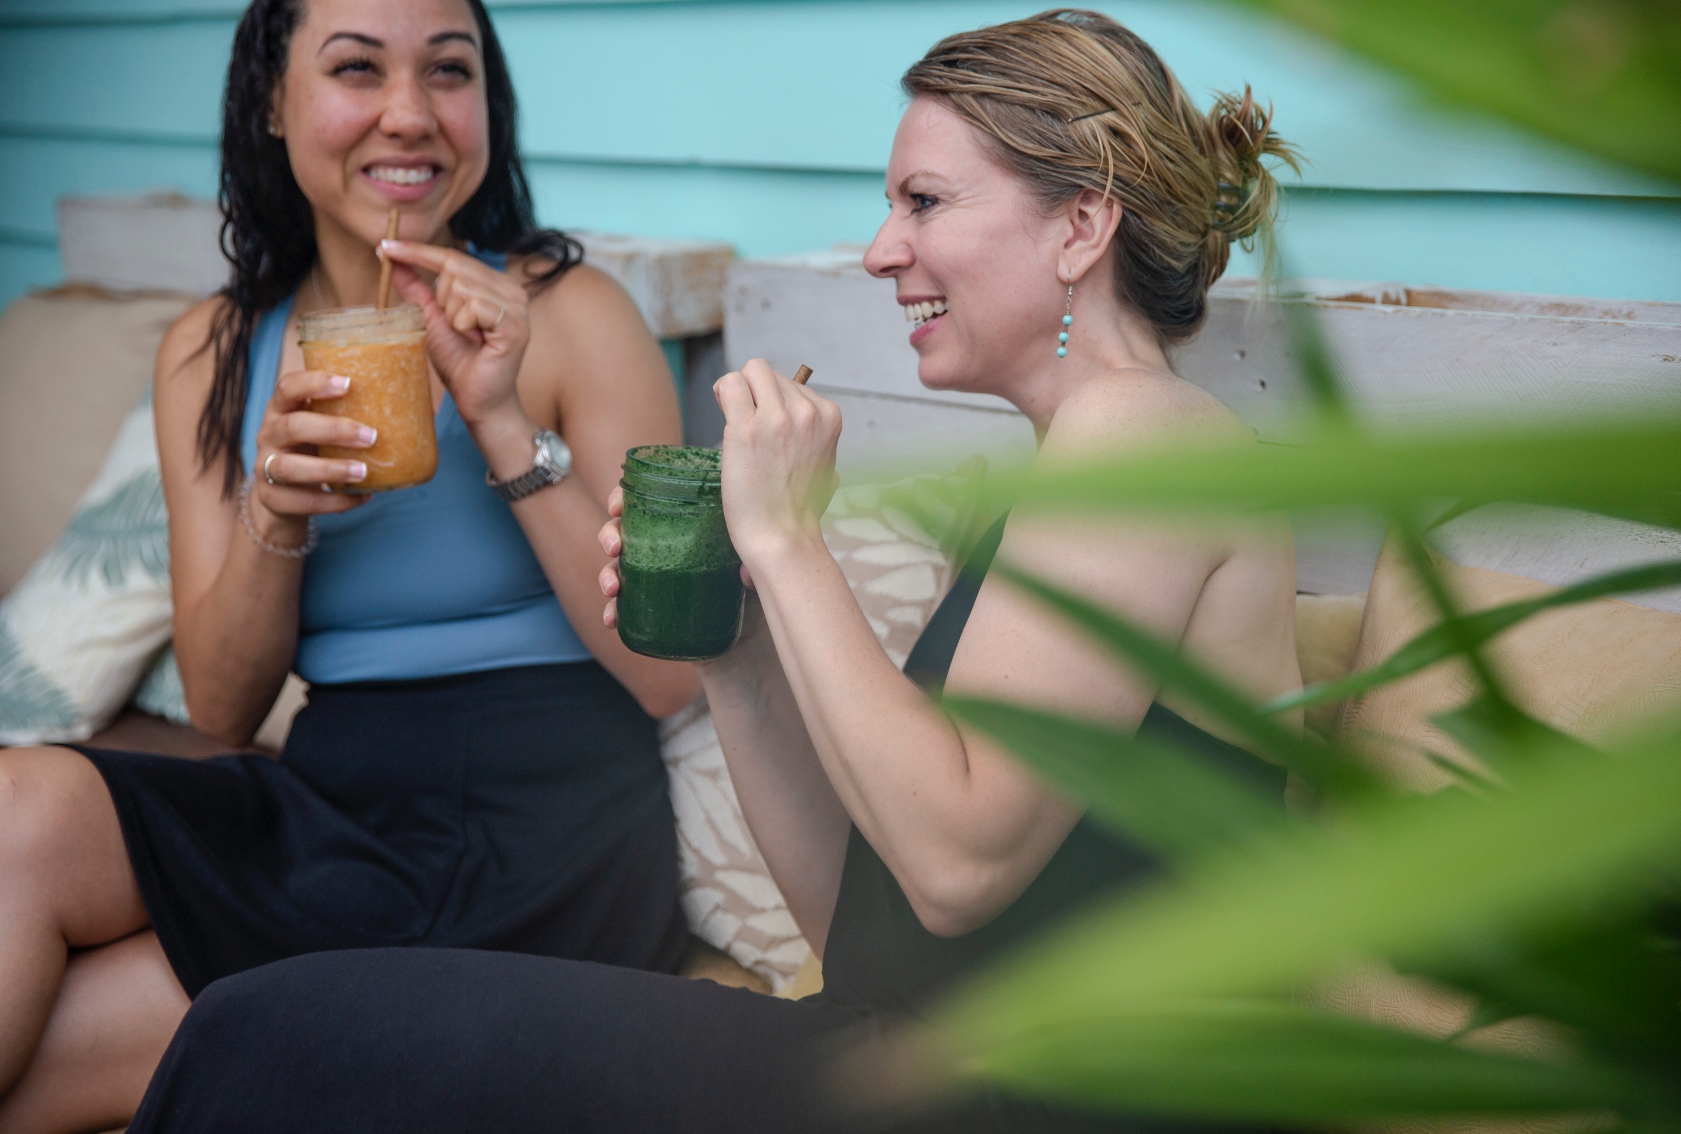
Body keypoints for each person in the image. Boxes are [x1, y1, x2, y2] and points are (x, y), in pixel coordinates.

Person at [116, 9, 1304, 1132]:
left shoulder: (1149, 434)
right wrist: (734, 650)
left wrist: (788, 545)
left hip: (1037, 1102)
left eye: (924, 201)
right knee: (260, 1036)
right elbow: (864, 927)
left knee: (273, 1039)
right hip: (904, 1054)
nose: (885, 250)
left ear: (1080, 227)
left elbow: (955, 864)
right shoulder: (1049, 479)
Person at [0, 0, 702, 1130]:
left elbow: (672, 673)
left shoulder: (572, 314)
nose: (410, 114)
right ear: (274, 103)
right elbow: (226, 708)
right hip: (333, 806)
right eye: (357, 69)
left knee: (50, 1065)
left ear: (489, 103)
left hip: (542, 836)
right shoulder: (214, 352)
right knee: (15, 804)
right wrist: (275, 511)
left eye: (449, 70)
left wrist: (502, 420)